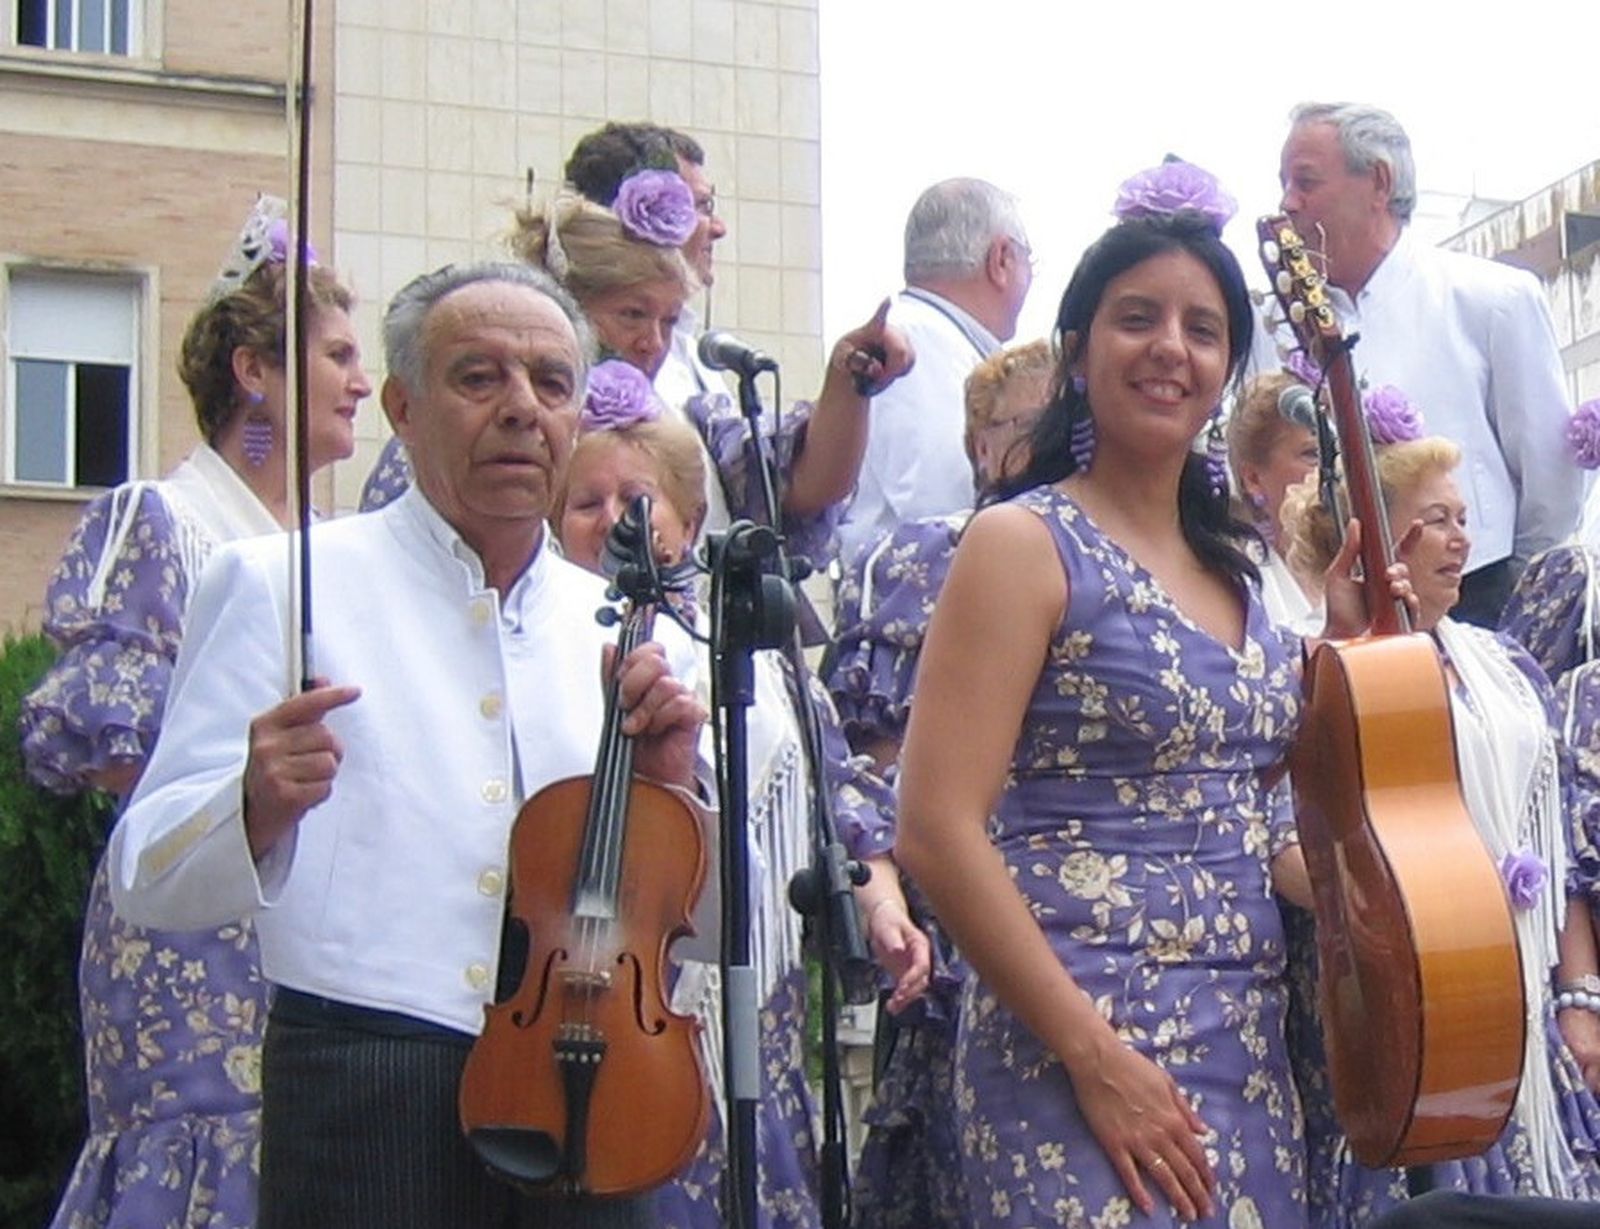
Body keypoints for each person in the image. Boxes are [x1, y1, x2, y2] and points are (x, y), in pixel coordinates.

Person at [105, 262, 706, 1229]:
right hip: (365, 1087)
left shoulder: (630, 624)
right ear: (402, 408)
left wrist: (673, 792)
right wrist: (251, 803)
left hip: (596, 1082)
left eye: (552, 383)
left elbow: (706, 932)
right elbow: (145, 873)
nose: (522, 408)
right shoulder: (282, 582)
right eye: (479, 377)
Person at [894, 160, 1351, 1227]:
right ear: (1077, 349)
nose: (1169, 347)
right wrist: (1093, 1056)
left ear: (1227, 368)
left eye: (1202, 329)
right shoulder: (1022, 542)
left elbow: (1265, 805)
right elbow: (935, 828)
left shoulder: (1243, 572)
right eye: (1136, 318)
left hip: (1243, 1040)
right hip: (1071, 1042)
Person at [19, 197, 370, 1229]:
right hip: (193, 939)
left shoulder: (340, 549)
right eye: (338, 354)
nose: (360, 381)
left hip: (314, 930)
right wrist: (238, 803)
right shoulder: (164, 519)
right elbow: (107, 750)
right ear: (254, 371)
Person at [551, 361, 927, 1229]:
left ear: (689, 521)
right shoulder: (544, 644)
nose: (612, 520)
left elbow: (842, 804)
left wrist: (884, 911)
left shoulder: (754, 650)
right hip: (606, 1019)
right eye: (586, 502)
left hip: (754, 1018)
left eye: (636, 499)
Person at [1280, 434, 1600, 1222]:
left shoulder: (1510, 667)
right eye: (1436, 521)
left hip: (1522, 1004)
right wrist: (1399, 908)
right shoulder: (1325, 671)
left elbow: (1552, 843)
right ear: (1375, 540)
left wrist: (1579, 997)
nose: (1462, 539)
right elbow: (1290, 841)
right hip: (1406, 1004)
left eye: (1464, 518)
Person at [827, 337, 1052, 1229]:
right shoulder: (922, 558)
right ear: (981, 445)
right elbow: (871, 765)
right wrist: (893, 901)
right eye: (1031, 422)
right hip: (952, 920)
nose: (1054, 437)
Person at [1275, 100, 1579, 625]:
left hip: (1485, 599)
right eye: (1284, 184)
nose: (1288, 203)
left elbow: (1551, 479)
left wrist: (1519, 604)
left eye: (1306, 182)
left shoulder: (1493, 298)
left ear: (1379, 182)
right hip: (1343, 610)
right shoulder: (1284, 327)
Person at [837, 176, 1034, 562]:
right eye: (1030, 261)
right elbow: (944, 503)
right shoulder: (917, 346)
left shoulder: (924, 336)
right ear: (1001, 259)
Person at [562, 120, 728, 414]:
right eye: (700, 206)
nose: (719, 228)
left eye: (668, 321)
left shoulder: (694, 353)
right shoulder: (560, 364)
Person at [1226, 369, 1322, 633]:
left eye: (1339, 449)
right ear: (1253, 479)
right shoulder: (1240, 585)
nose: (1335, 468)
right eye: (1312, 454)